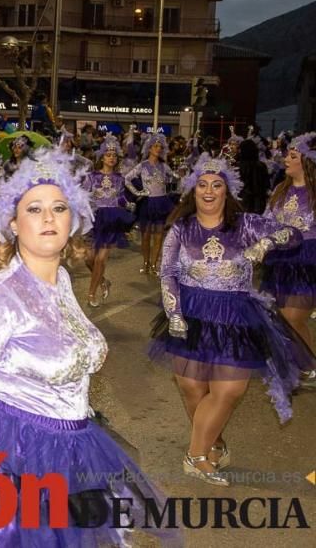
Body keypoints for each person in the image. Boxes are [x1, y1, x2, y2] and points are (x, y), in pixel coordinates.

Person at [0, 149, 172, 546]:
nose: (49, 217)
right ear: (13, 224)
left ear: (74, 220)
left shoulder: (63, 280)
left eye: (59, 207)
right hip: (15, 457)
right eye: (34, 209)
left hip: (75, 445)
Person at [148, 154, 314, 486]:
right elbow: (166, 274)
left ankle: (195, 455)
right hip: (191, 313)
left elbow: (293, 235)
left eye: (217, 185)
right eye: (203, 185)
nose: (209, 191)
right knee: (192, 387)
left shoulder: (246, 224)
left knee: (230, 388)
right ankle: (213, 444)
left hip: (235, 314)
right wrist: (174, 313)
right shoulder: (181, 229)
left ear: (227, 191)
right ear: (193, 191)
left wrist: (265, 243)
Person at [261, 131, 316, 389]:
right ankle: (299, 365)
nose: (285, 159)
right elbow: (266, 222)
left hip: (307, 260)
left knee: (293, 316)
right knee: (283, 317)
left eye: (292, 156)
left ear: (305, 162)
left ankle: (309, 365)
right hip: (281, 260)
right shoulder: (280, 190)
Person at [82, 133, 135, 307]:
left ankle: (91, 293)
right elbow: (83, 196)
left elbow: (120, 198)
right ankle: (103, 281)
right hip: (94, 220)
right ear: (102, 157)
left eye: (114, 155)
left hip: (112, 220)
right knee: (88, 258)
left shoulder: (119, 179)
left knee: (100, 259)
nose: (111, 158)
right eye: (108, 155)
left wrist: (128, 204)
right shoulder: (92, 177)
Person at [124, 132, 175, 274]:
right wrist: (138, 193)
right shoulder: (142, 165)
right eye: (155, 146)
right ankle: (146, 263)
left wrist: (181, 176)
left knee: (159, 235)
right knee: (146, 236)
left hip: (161, 202)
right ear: (149, 148)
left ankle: (154, 265)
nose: (158, 149)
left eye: (160, 146)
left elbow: (175, 178)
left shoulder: (164, 167)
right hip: (147, 203)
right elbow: (127, 179)